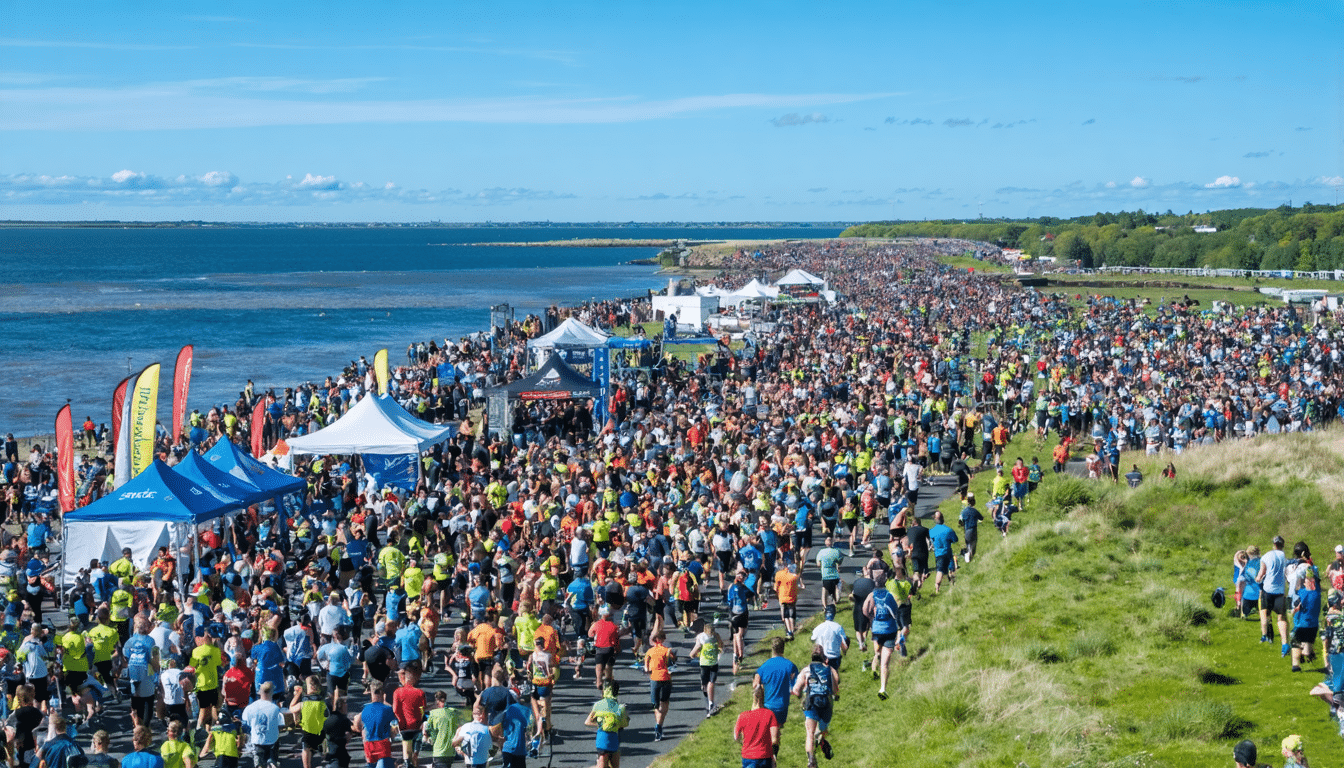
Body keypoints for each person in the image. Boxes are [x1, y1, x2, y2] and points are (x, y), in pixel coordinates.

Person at [791, 645, 839, 768]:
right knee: (822, 730)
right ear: (823, 657)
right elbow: (835, 690)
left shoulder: (806, 670)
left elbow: (796, 690)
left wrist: (800, 694)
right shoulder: (830, 670)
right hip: (826, 705)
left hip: (811, 703)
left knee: (810, 733)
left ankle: (811, 761)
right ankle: (821, 739)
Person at [753, 637, 798, 742]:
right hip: (782, 706)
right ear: (783, 649)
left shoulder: (764, 666)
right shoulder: (790, 666)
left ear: (772, 649)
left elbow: (755, 684)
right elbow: (795, 686)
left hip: (768, 705)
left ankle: (770, 748)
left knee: (768, 731)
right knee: (776, 730)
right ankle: (774, 748)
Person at [864, 574, 900, 700]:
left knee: (878, 652)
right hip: (890, 630)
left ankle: (876, 660)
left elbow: (865, 609)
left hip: (877, 630)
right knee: (885, 664)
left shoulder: (871, 595)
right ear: (885, 584)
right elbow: (895, 611)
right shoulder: (889, 596)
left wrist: (871, 619)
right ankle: (883, 688)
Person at [1258, 536, 1291, 656]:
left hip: (1268, 589)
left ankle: (1265, 636)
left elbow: (1261, 573)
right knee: (1281, 618)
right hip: (1280, 591)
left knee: (1265, 613)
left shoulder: (1266, 556)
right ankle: (1285, 644)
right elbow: (1287, 574)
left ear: (1273, 544)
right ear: (1283, 545)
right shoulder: (1285, 558)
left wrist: (1257, 578)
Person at [584, 681, 628, 768]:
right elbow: (624, 724)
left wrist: (603, 724)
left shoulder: (599, 705)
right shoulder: (619, 707)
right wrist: (611, 724)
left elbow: (588, 722)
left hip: (607, 740)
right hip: (608, 740)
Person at [355, 680, 399, 768]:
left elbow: (357, 724)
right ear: (382, 693)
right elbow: (395, 728)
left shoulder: (365, 709)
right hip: (382, 744)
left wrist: (362, 732)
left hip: (369, 745)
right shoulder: (388, 709)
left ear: (371, 693)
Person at [733, 685, 779, 768]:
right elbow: (774, 740)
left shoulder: (742, 716)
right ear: (763, 697)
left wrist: (743, 743)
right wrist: (774, 755)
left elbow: (736, 737)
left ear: (753, 697)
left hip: (748, 756)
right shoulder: (770, 714)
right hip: (765, 756)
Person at [241, 682, 283, 768]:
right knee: (272, 763)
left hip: (257, 741)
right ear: (272, 692)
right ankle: (272, 763)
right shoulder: (275, 708)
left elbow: (245, 725)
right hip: (272, 741)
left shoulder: (250, 708)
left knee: (259, 764)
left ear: (259, 692)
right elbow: (281, 725)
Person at [290, 676, 328, 768]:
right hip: (321, 733)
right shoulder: (323, 703)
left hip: (308, 734)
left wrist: (298, 693)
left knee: (306, 759)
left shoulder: (303, 704)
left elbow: (291, 708)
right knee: (326, 758)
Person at [391, 668, 426, 768]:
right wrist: (419, 719)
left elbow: (395, 710)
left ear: (404, 678)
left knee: (406, 749)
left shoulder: (398, 692)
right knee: (415, 753)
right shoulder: (420, 692)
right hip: (417, 726)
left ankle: (407, 763)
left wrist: (400, 720)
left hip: (404, 726)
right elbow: (422, 709)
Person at [643, 632, 674, 741]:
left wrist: (648, 669)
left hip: (654, 679)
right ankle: (659, 725)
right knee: (664, 702)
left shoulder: (650, 651)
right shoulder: (667, 650)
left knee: (655, 705)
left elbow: (646, 667)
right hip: (666, 678)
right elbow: (672, 662)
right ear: (664, 639)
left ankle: (658, 725)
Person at [424, 691, 467, 768]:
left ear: (437, 700)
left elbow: (428, 729)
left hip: (439, 750)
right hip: (451, 751)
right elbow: (459, 727)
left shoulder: (433, 713)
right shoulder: (453, 712)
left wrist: (427, 737)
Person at [1291, 567, 1321, 673]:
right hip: (1313, 625)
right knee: (1308, 641)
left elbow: (1296, 602)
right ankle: (1308, 653)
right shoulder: (1317, 593)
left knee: (1295, 644)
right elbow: (1316, 580)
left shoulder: (1301, 592)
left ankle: (1296, 665)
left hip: (1301, 624)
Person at [688, 626, 722, 717]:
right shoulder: (716, 636)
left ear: (704, 630)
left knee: (705, 683)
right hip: (714, 662)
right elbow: (721, 645)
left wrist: (692, 655)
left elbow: (697, 647)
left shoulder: (700, 637)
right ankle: (711, 702)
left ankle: (708, 699)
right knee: (711, 682)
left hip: (704, 663)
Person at [489, 698, 531, 768]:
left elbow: (493, 729)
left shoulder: (505, 711)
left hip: (508, 748)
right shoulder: (526, 709)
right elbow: (529, 728)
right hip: (520, 749)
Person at [927, 511, 959, 595]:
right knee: (951, 569)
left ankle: (937, 588)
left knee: (940, 570)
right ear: (943, 518)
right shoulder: (948, 530)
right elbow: (955, 539)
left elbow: (931, 540)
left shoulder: (931, 531)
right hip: (947, 552)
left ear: (935, 519)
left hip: (938, 554)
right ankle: (953, 586)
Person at [810, 605, 848, 672]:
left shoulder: (818, 627)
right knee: (834, 674)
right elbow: (844, 643)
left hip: (822, 656)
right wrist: (844, 652)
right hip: (835, 657)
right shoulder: (838, 627)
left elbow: (812, 639)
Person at [774, 562, 800, 641]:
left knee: (786, 616)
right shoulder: (794, 577)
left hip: (783, 598)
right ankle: (793, 630)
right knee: (791, 615)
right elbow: (797, 588)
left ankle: (789, 631)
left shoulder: (779, 574)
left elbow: (776, 588)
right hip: (792, 598)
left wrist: (777, 595)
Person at [815, 538, 843, 609]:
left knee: (824, 591)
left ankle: (825, 607)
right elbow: (839, 562)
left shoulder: (821, 552)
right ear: (832, 543)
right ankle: (835, 603)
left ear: (825, 543)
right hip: (835, 575)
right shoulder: (837, 552)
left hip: (825, 575)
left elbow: (818, 564)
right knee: (835, 589)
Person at [958, 493, 983, 564]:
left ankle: (968, 559)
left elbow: (960, 521)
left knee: (968, 545)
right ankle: (969, 558)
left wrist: (962, 524)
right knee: (973, 546)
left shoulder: (964, 511)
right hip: (973, 529)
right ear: (974, 501)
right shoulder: (974, 511)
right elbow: (981, 518)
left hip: (967, 530)